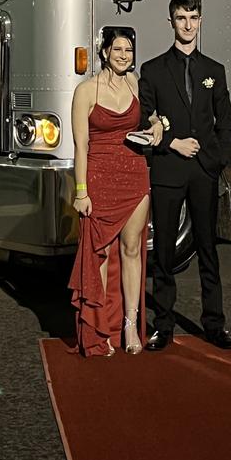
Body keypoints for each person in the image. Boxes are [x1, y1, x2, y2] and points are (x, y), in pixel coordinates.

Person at [139, 0, 231, 351]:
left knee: (208, 250)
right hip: (167, 170)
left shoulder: (214, 71)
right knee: (164, 252)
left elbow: (225, 122)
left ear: (200, 21)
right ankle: (162, 327)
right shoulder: (152, 70)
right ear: (171, 22)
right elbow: (143, 122)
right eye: (181, 18)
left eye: (193, 18)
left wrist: (216, 161)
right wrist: (171, 144)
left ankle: (214, 325)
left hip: (203, 172)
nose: (188, 25)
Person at [68, 28, 163, 357]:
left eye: (129, 49)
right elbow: (81, 146)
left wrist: (158, 126)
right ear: (105, 52)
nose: (124, 55)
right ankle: (102, 330)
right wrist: (81, 192)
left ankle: (130, 325)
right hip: (99, 178)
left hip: (135, 175)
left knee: (132, 250)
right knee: (102, 255)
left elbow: (152, 115)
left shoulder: (136, 83)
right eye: (118, 49)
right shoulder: (85, 91)